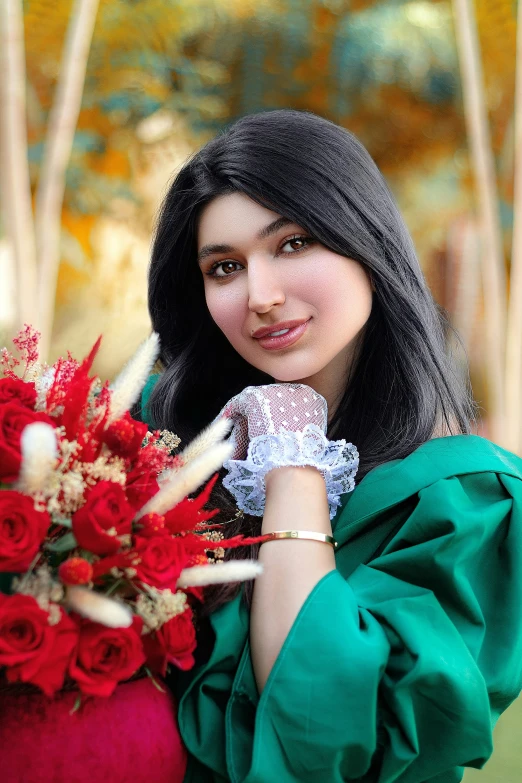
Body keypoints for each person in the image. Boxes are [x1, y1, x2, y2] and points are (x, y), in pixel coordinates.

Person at [139, 109, 522, 783]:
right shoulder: (161, 443)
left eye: (292, 243)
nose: (261, 295)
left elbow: (321, 738)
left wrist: (292, 456)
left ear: (365, 239)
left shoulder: (468, 502)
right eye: (225, 266)